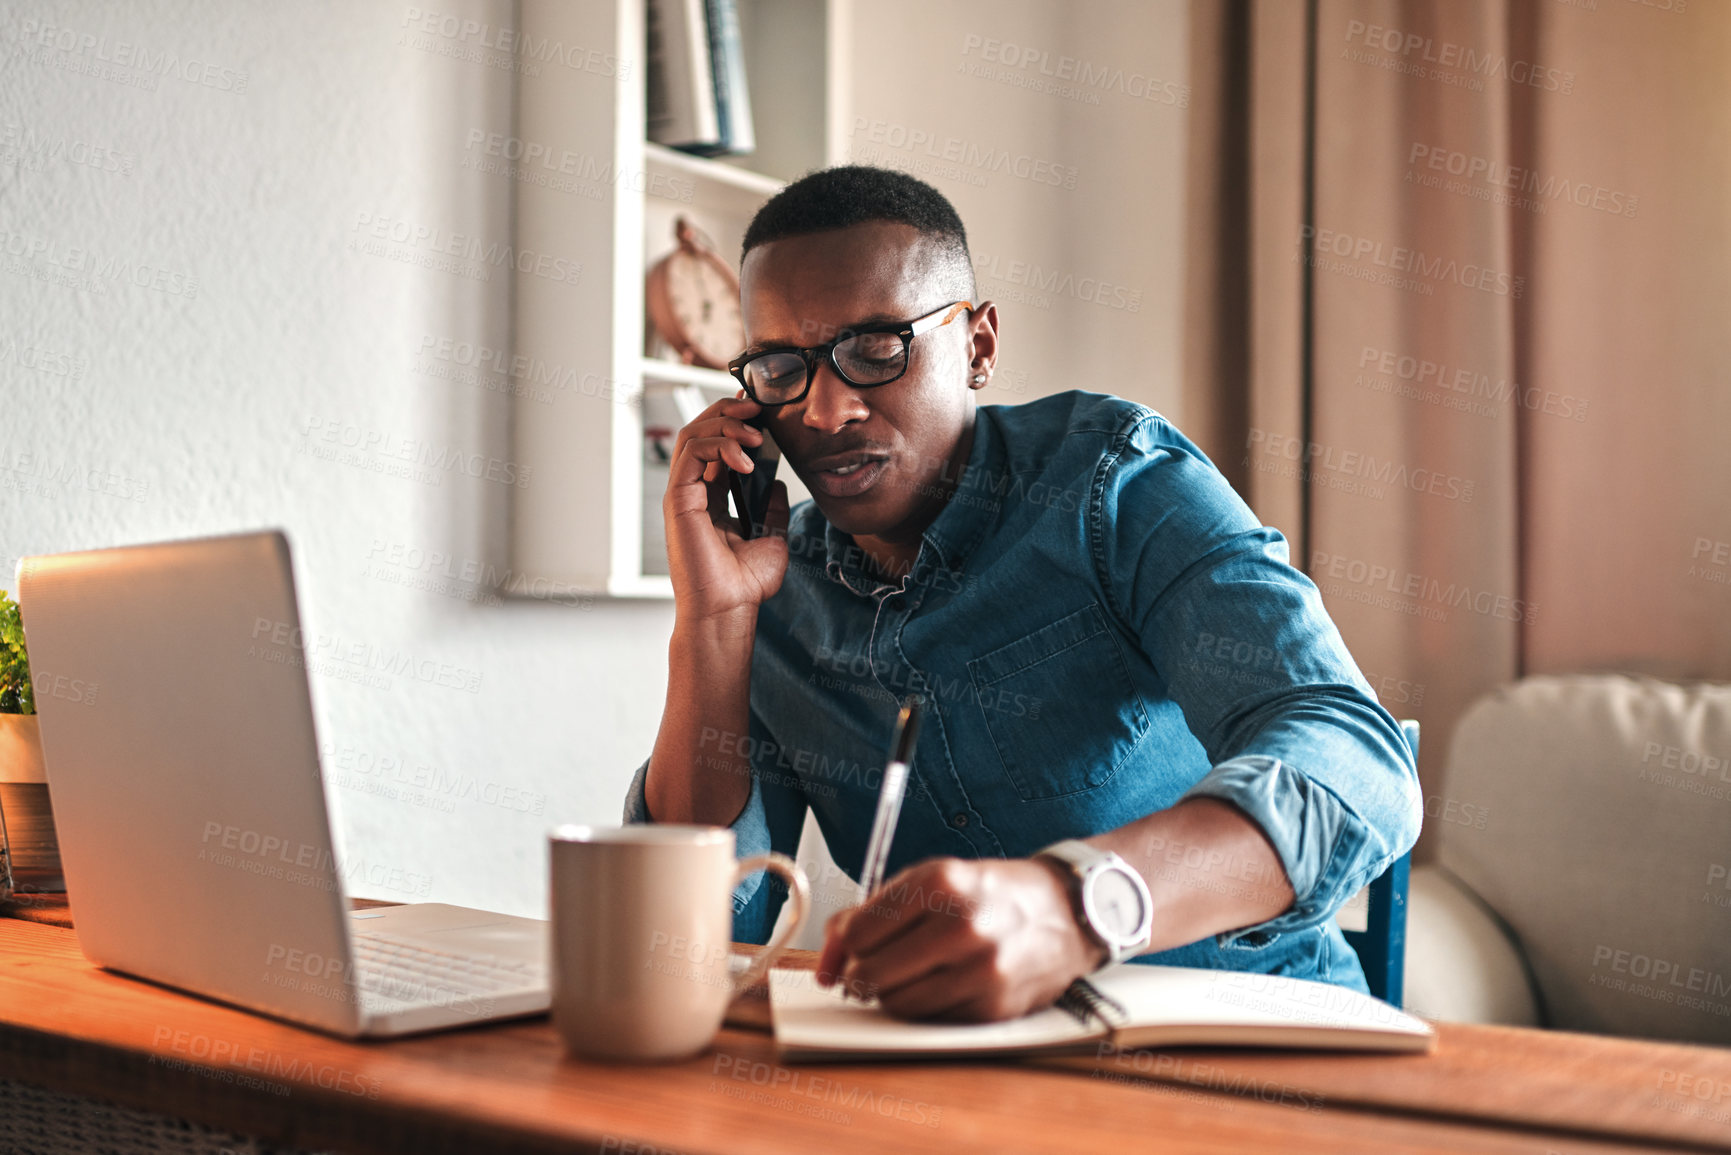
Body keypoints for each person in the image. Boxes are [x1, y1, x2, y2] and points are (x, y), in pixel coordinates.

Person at [624, 165, 1420, 1023]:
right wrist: (710, 622)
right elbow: (692, 935)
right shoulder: (772, 592)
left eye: (875, 348)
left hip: (1249, 1035)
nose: (824, 411)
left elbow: (1359, 763)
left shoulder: (1114, 483)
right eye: (781, 367)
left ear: (978, 346)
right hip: (969, 1073)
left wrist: (1073, 904)